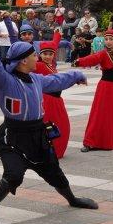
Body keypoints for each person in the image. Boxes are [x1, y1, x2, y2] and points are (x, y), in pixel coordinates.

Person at [0, 35, 97, 224]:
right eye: (34, 55)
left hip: (38, 135)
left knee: (54, 172)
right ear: (23, 60)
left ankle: (72, 200)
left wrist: (77, 75)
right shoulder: (5, 81)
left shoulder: (36, 79)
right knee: (13, 176)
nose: (37, 58)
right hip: (13, 137)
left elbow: (57, 80)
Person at [76, 17, 113, 152]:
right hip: (105, 87)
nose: (108, 42)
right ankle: (91, 142)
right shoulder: (103, 54)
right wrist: (78, 62)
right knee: (100, 114)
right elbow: (91, 59)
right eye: (106, 39)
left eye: (111, 39)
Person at [34, 31, 73, 159]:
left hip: (57, 100)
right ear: (40, 55)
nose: (48, 56)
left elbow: (54, 45)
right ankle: (48, 151)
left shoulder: (52, 65)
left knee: (63, 126)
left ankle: (56, 150)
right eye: (45, 54)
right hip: (47, 101)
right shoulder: (38, 65)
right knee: (49, 127)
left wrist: (57, 35)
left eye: (50, 54)